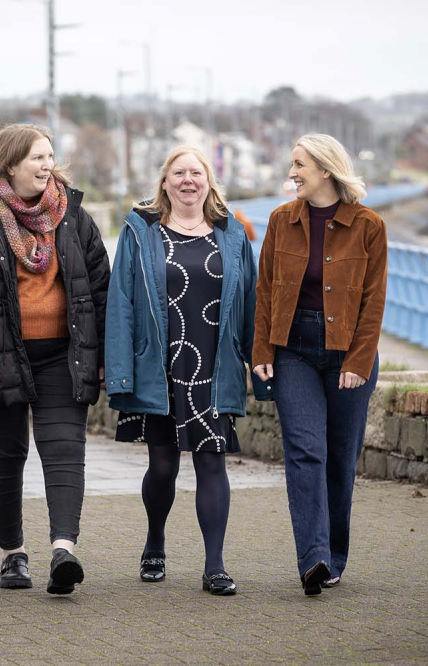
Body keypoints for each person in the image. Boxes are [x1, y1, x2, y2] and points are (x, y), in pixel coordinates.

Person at [0, 124, 110, 595]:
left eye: (50, 156)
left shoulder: (74, 216)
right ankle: (13, 555)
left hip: (63, 356)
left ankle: (63, 552)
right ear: (10, 163)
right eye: (37, 157)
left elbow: (100, 292)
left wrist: (99, 358)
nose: (46, 165)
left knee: (64, 454)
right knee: (3, 459)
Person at [105, 146, 262, 596]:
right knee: (162, 466)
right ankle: (155, 539)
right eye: (179, 173)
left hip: (214, 366)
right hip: (160, 366)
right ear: (165, 182)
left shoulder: (232, 235)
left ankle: (215, 565)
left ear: (209, 182)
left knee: (213, 461)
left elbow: (249, 300)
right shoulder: (141, 232)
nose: (188, 180)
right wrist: (119, 372)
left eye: (196, 172)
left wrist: (258, 359)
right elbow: (121, 303)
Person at [252, 133, 387, 596]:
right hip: (293, 350)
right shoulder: (280, 220)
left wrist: (359, 359)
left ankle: (335, 555)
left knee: (340, 457)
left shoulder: (368, 225)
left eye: (299, 165)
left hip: (347, 351)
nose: (291, 173)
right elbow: (265, 290)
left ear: (326, 170)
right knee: (305, 451)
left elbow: (373, 302)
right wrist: (262, 352)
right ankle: (313, 557)